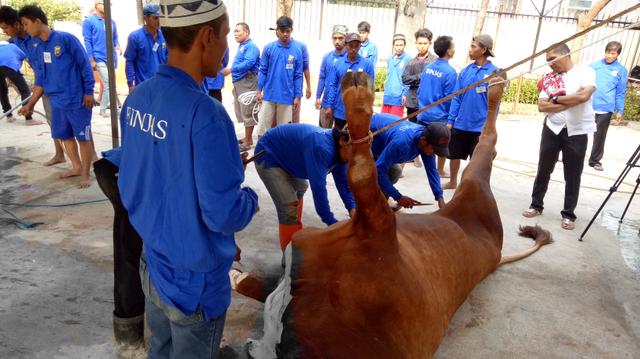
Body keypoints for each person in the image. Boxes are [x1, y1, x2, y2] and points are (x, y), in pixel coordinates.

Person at [117, 1, 259, 357]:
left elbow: (137, 179)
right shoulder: (207, 115)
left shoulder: (137, 98)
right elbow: (223, 214)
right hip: (193, 282)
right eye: (226, 35)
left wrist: (222, 167)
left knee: (160, 349)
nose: (227, 46)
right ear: (207, 37)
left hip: (153, 262)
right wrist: (249, 198)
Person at [18, 5, 96, 189]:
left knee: (83, 138)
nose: (25, 29)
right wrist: (30, 104)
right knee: (64, 136)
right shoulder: (38, 47)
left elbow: (84, 65)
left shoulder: (66, 39)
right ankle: (76, 167)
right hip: (57, 101)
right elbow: (41, 79)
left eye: (26, 24)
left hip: (77, 99)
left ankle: (86, 173)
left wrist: (89, 92)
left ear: (37, 21)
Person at [522, 43, 596, 231]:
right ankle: (536, 205)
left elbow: (584, 97)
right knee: (543, 168)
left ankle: (569, 214)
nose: (549, 64)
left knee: (573, 174)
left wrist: (555, 99)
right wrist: (570, 100)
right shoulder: (550, 78)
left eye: (552, 59)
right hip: (552, 128)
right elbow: (542, 106)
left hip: (577, 131)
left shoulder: (585, 72)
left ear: (565, 55)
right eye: (547, 60)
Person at [255, 124, 355, 250]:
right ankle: (290, 258)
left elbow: (343, 184)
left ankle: (295, 232)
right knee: (289, 206)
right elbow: (319, 189)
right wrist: (333, 224)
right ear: (342, 141)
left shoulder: (342, 152)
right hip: (268, 154)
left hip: (288, 157)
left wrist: (352, 209)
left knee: (301, 187)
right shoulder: (322, 148)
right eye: (355, 151)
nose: (357, 158)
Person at [93, 148, 145, 351]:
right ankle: (129, 339)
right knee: (130, 254)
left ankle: (129, 334)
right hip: (121, 174)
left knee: (128, 247)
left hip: (114, 167)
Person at [0, 5, 63, 164]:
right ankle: (59, 153)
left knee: (73, 120)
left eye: (6, 27)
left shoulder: (37, 36)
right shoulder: (14, 41)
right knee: (52, 120)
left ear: (17, 24)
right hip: (43, 83)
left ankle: (91, 157)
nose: (4, 31)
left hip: (60, 82)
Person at [444, 34, 499, 190]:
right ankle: (453, 181)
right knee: (454, 154)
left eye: (473, 47)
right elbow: (456, 97)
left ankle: (470, 186)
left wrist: (489, 126)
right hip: (461, 123)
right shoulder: (466, 71)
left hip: (480, 126)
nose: (469, 50)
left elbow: (496, 104)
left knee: (477, 160)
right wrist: (450, 120)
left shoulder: (495, 73)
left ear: (484, 50)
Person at [370, 113, 449, 210]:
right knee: (392, 172)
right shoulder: (401, 144)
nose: (435, 153)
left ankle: (381, 202)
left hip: (384, 144)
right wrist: (398, 197)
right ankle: (370, 207)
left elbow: (432, 170)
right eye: (434, 149)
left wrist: (440, 197)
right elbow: (379, 170)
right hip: (368, 138)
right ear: (423, 141)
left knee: (393, 172)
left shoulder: (427, 140)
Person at [255, 16, 303, 136]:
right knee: (262, 130)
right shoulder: (268, 48)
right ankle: (262, 153)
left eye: (288, 31)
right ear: (277, 31)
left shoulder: (297, 50)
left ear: (291, 30)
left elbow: (298, 75)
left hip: (287, 97)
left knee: (284, 132)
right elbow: (263, 71)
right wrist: (258, 90)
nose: (285, 34)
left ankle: (281, 154)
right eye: (282, 31)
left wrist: (297, 95)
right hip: (269, 95)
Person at [417, 35, 457, 177]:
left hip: (423, 113)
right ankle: (439, 170)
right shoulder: (450, 72)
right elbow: (450, 99)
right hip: (439, 117)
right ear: (449, 51)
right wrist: (450, 119)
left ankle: (402, 164)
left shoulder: (428, 68)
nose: (454, 49)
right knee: (442, 143)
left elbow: (420, 90)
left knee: (418, 141)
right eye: (453, 47)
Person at [588, 41, 628, 172]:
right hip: (588, 105)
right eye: (607, 52)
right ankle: (567, 155)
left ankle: (595, 161)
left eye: (613, 53)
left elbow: (621, 92)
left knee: (599, 136)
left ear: (617, 54)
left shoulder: (621, 70)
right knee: (577, 131)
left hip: (605, 108)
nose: (609, 56)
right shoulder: (594, 66)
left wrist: (620, 110)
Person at [325, 32, 375, 130]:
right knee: (339, 140)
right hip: (340, 111)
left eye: (356, 46)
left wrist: (368, 108)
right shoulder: (339, 63)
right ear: (346, 46)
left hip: (359, 112)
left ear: (360, 47)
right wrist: (330, 106)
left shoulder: (367, 64)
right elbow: (333, 85)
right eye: (351, 46)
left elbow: (370, 89)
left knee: (356, 141)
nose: (353, 49)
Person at [83, 0, 121, 117]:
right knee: (108, 84)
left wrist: (118, 45)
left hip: (111, 58)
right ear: (97, 5)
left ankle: (114, 106)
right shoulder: (89, 21)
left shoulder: (112, 21)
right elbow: (87, 40)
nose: (107, 6)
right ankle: (103, 109)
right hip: (99, 58)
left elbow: (115, 37)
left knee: (111, 84)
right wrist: (91, 59)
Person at [226, 22, 260, 151]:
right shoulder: (242, 46)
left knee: (248, 110)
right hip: (240, 83)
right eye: (234, 31)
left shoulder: (251, 47)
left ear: (246, 32)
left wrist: (231, 69)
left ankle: (248, 141)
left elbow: (249, 63)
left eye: (238, 31)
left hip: (248, 82)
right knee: (241, 110)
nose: (235, 34)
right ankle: (246, 138)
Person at [124, 3, 167, 93]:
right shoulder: (135, 37)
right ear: (145, 18)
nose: (159, 21)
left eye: (160, 17)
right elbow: (130, 62)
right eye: (155, 18)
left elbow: (168, 59)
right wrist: (130, 84)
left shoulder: (164, 36)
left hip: (162, 85)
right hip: (143, 86)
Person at [0, 41, 41, 125]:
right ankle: (28, 118)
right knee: (25, 90)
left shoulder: (3, 50)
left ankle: (9, 116)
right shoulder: (12, 46)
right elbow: (24, 60)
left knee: (2, 92)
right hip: (9, 65)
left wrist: (16, 83)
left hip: (6, 66)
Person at [316, 25, 347, 129]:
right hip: (326, 103)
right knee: (323, 133)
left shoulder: (350, 59)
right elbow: (322, 77)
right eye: (335, 38)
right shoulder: (327, 57)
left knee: (341, 138)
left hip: (342, 105)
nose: (337, 41)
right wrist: (318, 96)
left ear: (346, 39)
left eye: (340, 38)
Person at [402, 28, 437, 119]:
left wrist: (413, 79)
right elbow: (405, 79)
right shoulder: (411, 62)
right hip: (412, 102)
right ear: (416, 43)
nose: (422, 46)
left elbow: (434, 80)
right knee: (412, 128)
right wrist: (422, 76)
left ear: (430, 43)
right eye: (420, 43)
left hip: (428, 102)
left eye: (425, 43)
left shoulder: (435, 61)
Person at [381, 33, 411, 117]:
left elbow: (408, 79)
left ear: (404, 45)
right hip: (388, 95)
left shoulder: (407, 59)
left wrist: (405, 93)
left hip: (398, 96)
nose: (399, 47)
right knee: (383, 120)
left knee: (394, 122)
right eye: (396, 45)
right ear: (393, 46)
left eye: (401, 45)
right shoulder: (390, 58)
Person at [291, 37, 310, 123]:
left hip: (294, 90)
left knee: (293, 118)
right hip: (275, 91)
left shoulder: (300, 46)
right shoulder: (272, 47)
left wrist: (308, 86)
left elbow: (305, 67)